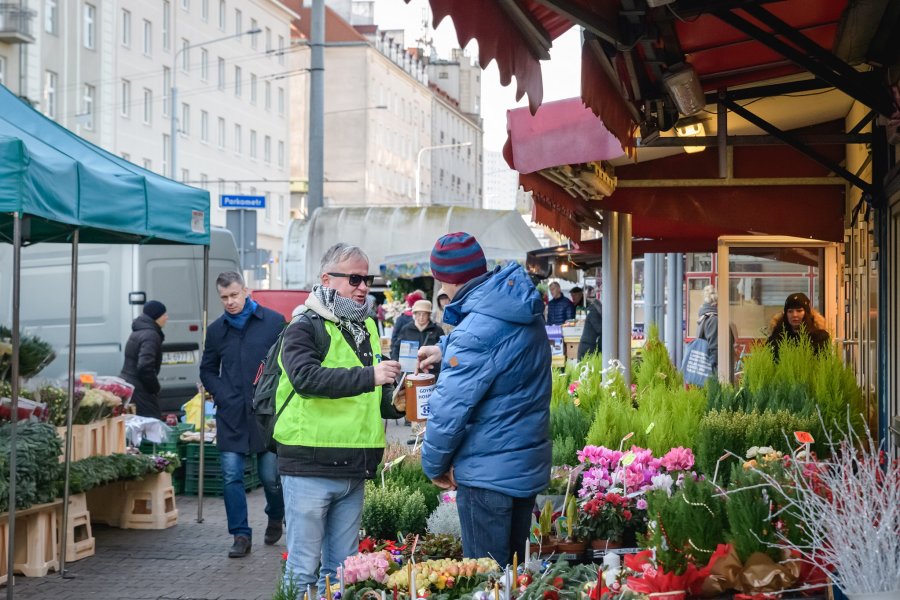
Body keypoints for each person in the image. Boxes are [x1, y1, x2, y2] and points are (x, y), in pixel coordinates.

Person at [274, 243, 404, 594]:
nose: (364, 286)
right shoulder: (304, 326)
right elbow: (306, 379)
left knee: (343, 569)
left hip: (354, 465)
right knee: (302, 570)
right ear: (327, 279)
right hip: (310, 463)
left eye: (368, 279)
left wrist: (398, 403)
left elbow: (369, 398)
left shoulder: (367, 327)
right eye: (355, 278)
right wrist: (370, 376)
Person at [416, 232, 551, 567]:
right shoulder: (518, 310)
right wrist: (446, 349)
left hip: (486, 474)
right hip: (522, 467)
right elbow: (501, 350)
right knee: (513, 578)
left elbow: (449, 410)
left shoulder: (474, 332)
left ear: (445, 280)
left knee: (485, 579)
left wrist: (433, 465)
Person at [199, 271, 286, 558]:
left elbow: (288, 362)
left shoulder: (273, 322)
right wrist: (222, 394)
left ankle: (276, 515)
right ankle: (240, 535)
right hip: (231, 415)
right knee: (231, 476)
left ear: (246, 291)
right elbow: (207, 370)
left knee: (271, 476)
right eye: (224, 297)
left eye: (234, 295)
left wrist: (273, 395)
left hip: (265, 415)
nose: (230, 302)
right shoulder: (216, 331)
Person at [119, 300, 168, 419]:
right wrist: (155, 388)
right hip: (140, 390)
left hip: (129, 385)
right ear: (156, 316)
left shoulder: (139, 331)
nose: (167, 317)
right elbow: (145, 366)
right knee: (150, 424)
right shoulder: (151, 335)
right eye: (164, 314)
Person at [766, 292, 830, 360]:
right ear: (785, 314)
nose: (794, 315)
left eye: (799, 311)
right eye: (790, 311)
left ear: (807, 313)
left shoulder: (819, 337)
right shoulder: (777, 336)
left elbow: (823, 363)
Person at [391, 299, 444, 373]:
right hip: (409, 372)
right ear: (414, 314)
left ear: (429, 315)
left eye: (424, 314)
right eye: (419, 314)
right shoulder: (406, 329)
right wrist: (396, 363)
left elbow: (443, 350)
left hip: (431, 371)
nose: (421, 317)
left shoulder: (437, 330)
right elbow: (396, 348)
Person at [696, 285, 737, 374]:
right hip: (715, 370)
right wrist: (714, 373)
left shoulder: (704, 318)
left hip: (707, 367)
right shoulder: (713, 319)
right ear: (715, 303)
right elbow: (714, 348)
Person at [577, 295, 602, 360]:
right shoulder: (593, 313)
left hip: (588, 346)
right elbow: (600, 329)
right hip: (587, 348)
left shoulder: (593, 312)